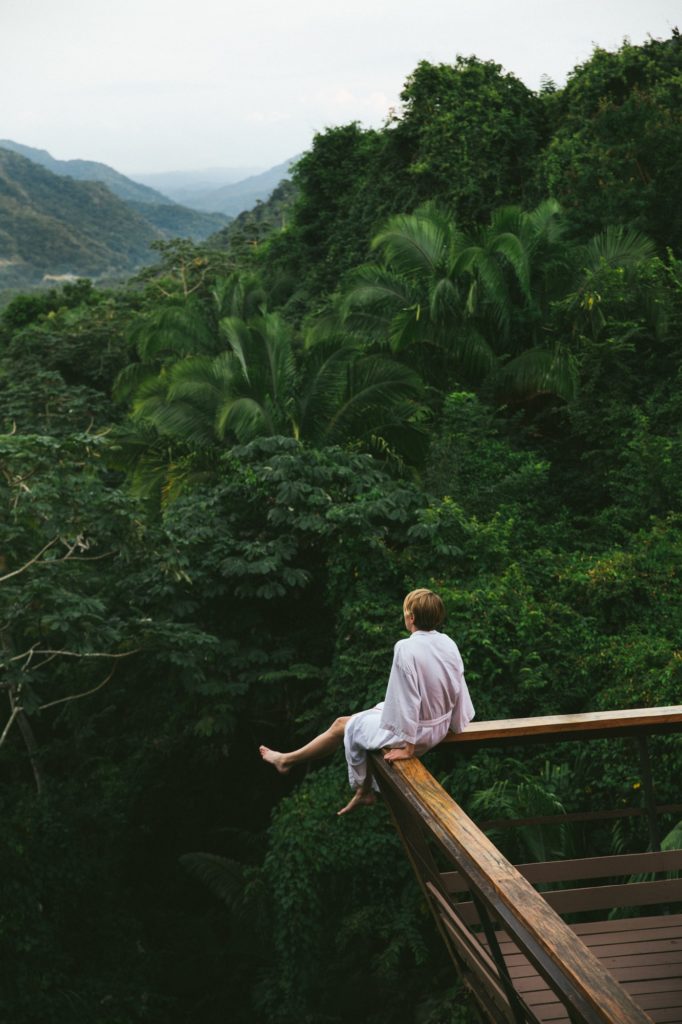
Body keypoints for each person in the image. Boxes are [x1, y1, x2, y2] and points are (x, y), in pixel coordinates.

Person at [259, 588, 474, 815]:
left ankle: (355, 787)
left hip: (416, 734)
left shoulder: (406, 647)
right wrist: (456, 723)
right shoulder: (448, 642)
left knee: (344, 725)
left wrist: (408, 748)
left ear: (411, 617)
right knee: (352, 721)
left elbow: (407, 698)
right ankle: (294, 762)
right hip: (438, 727)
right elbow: (457, 683)